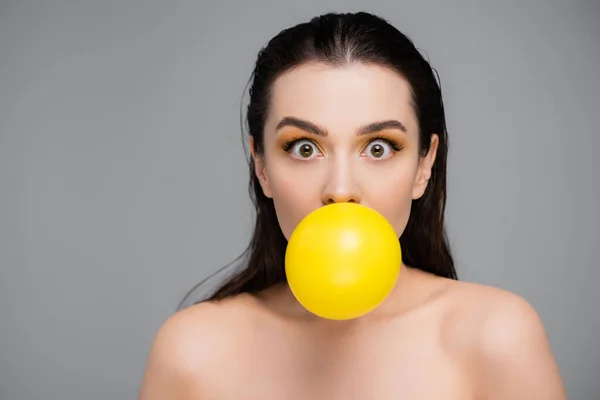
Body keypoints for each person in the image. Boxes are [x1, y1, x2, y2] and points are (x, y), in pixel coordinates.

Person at [138, 12, 566, 399]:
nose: (340, 190)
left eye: (378, 148)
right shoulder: (191, 352)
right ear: (262, 166)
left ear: (424, 165)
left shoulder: (497, 337)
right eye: (304, 148)